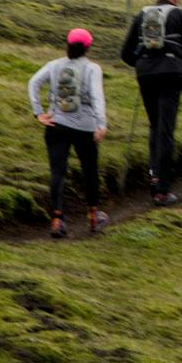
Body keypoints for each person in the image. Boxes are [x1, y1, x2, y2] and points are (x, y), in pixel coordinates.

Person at [119, 0, 182, 206]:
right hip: (170, 74)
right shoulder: (179, 15)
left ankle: (153, 176)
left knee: (154, 125)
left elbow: (125, 53)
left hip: (146, 74)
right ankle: (163, 190)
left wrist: (142, 63)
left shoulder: (141, 14)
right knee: (166, 130)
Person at [30, 28, 111, 237]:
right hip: (85, 127)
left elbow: (33, 83)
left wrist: (38, 112)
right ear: (88, 47)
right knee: (90, 170)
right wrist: (101, 124)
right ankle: (93, 215)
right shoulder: (93, 68)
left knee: (58, 171)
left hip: (56, 125)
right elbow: (97, 97)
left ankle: (57, 219)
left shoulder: (54, 65)